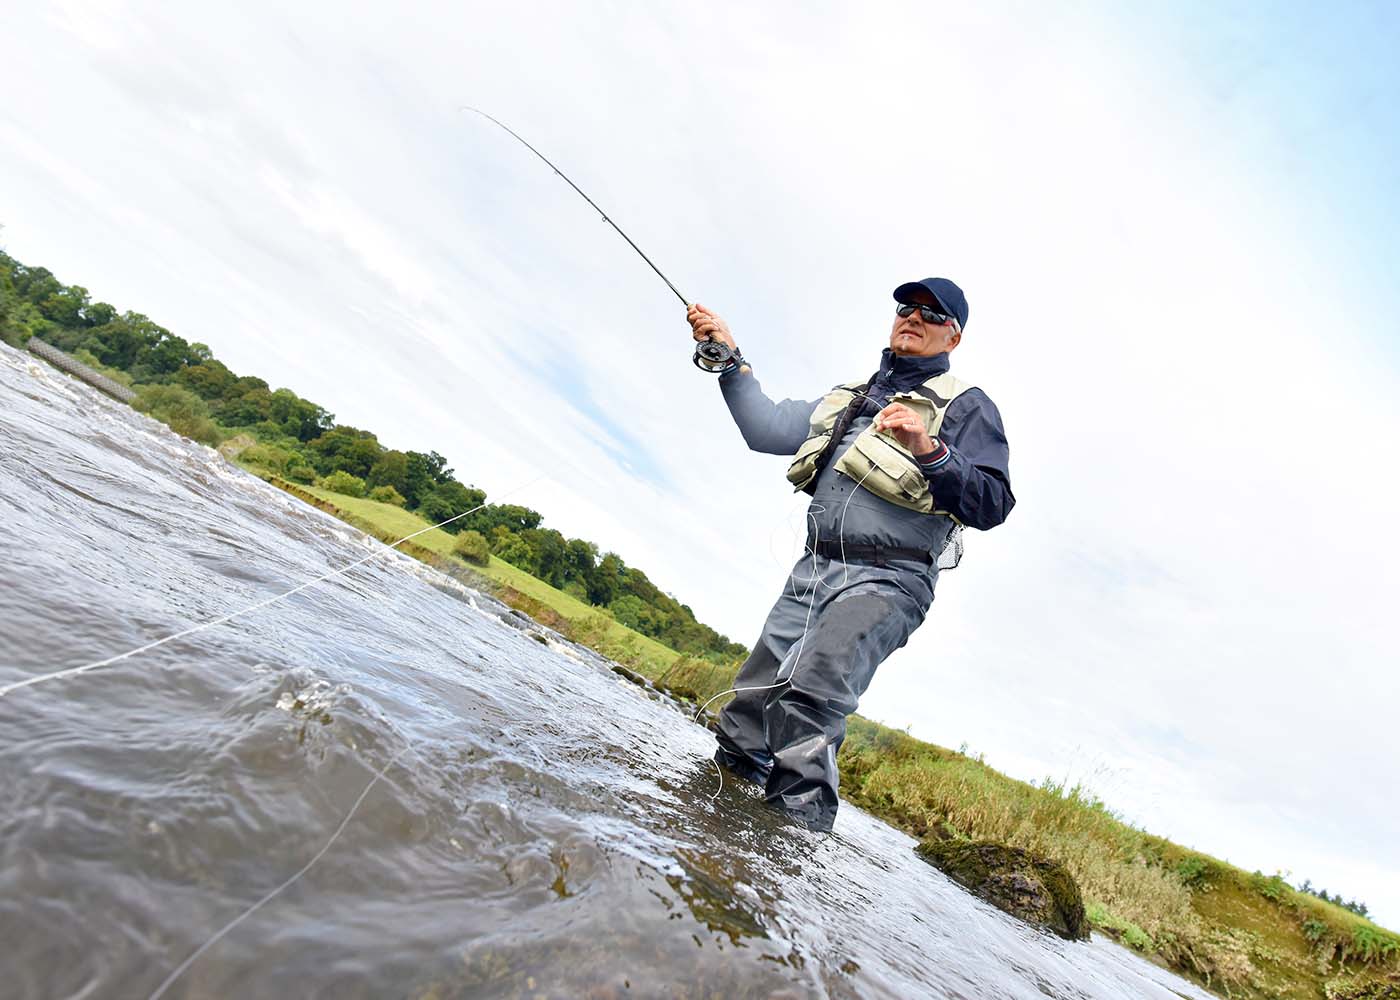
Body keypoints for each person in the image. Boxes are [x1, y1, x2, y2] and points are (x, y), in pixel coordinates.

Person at [685, 278, 1014, 831]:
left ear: (953, 336)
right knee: (747, 712)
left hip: (889, 581)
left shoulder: (968, 407)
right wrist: (728, 358)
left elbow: (993, 502)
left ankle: (790, 856)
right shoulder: (851, 396)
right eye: (906, 308)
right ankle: (717, 833)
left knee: (809, 696)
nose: (913, 317)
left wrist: (930, 449)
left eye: (931, 315)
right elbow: (763, 428)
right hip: (813, 570)